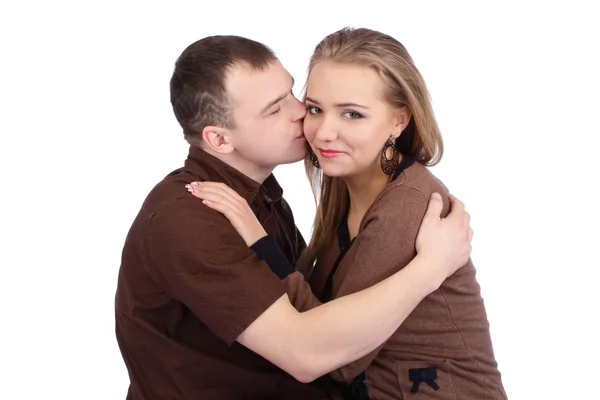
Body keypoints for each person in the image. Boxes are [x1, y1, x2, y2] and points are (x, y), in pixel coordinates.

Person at [115, 34, 473, 400]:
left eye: (292, 93)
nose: (301, 113)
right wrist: (430, 268)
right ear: (219, 140)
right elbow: (309, 352)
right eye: (275, 108)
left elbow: (315, 315)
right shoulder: (190, 215)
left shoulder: (265, 197)